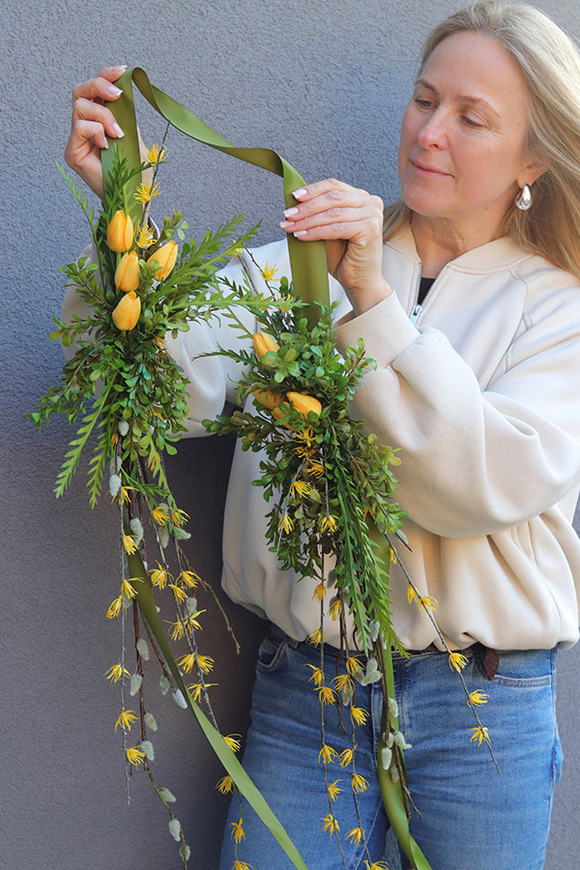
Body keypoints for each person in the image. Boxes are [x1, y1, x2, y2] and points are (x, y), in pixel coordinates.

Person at [63, 2, 580, 868]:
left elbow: (481, 483)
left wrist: (374, 303)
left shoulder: (557, 308)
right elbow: (157, 393)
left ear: (533, 158)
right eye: (423, 101)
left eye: (471, 118)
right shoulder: (301, 261)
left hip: (481, 715)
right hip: (308, 694)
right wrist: (120, 207)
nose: (429, 134)